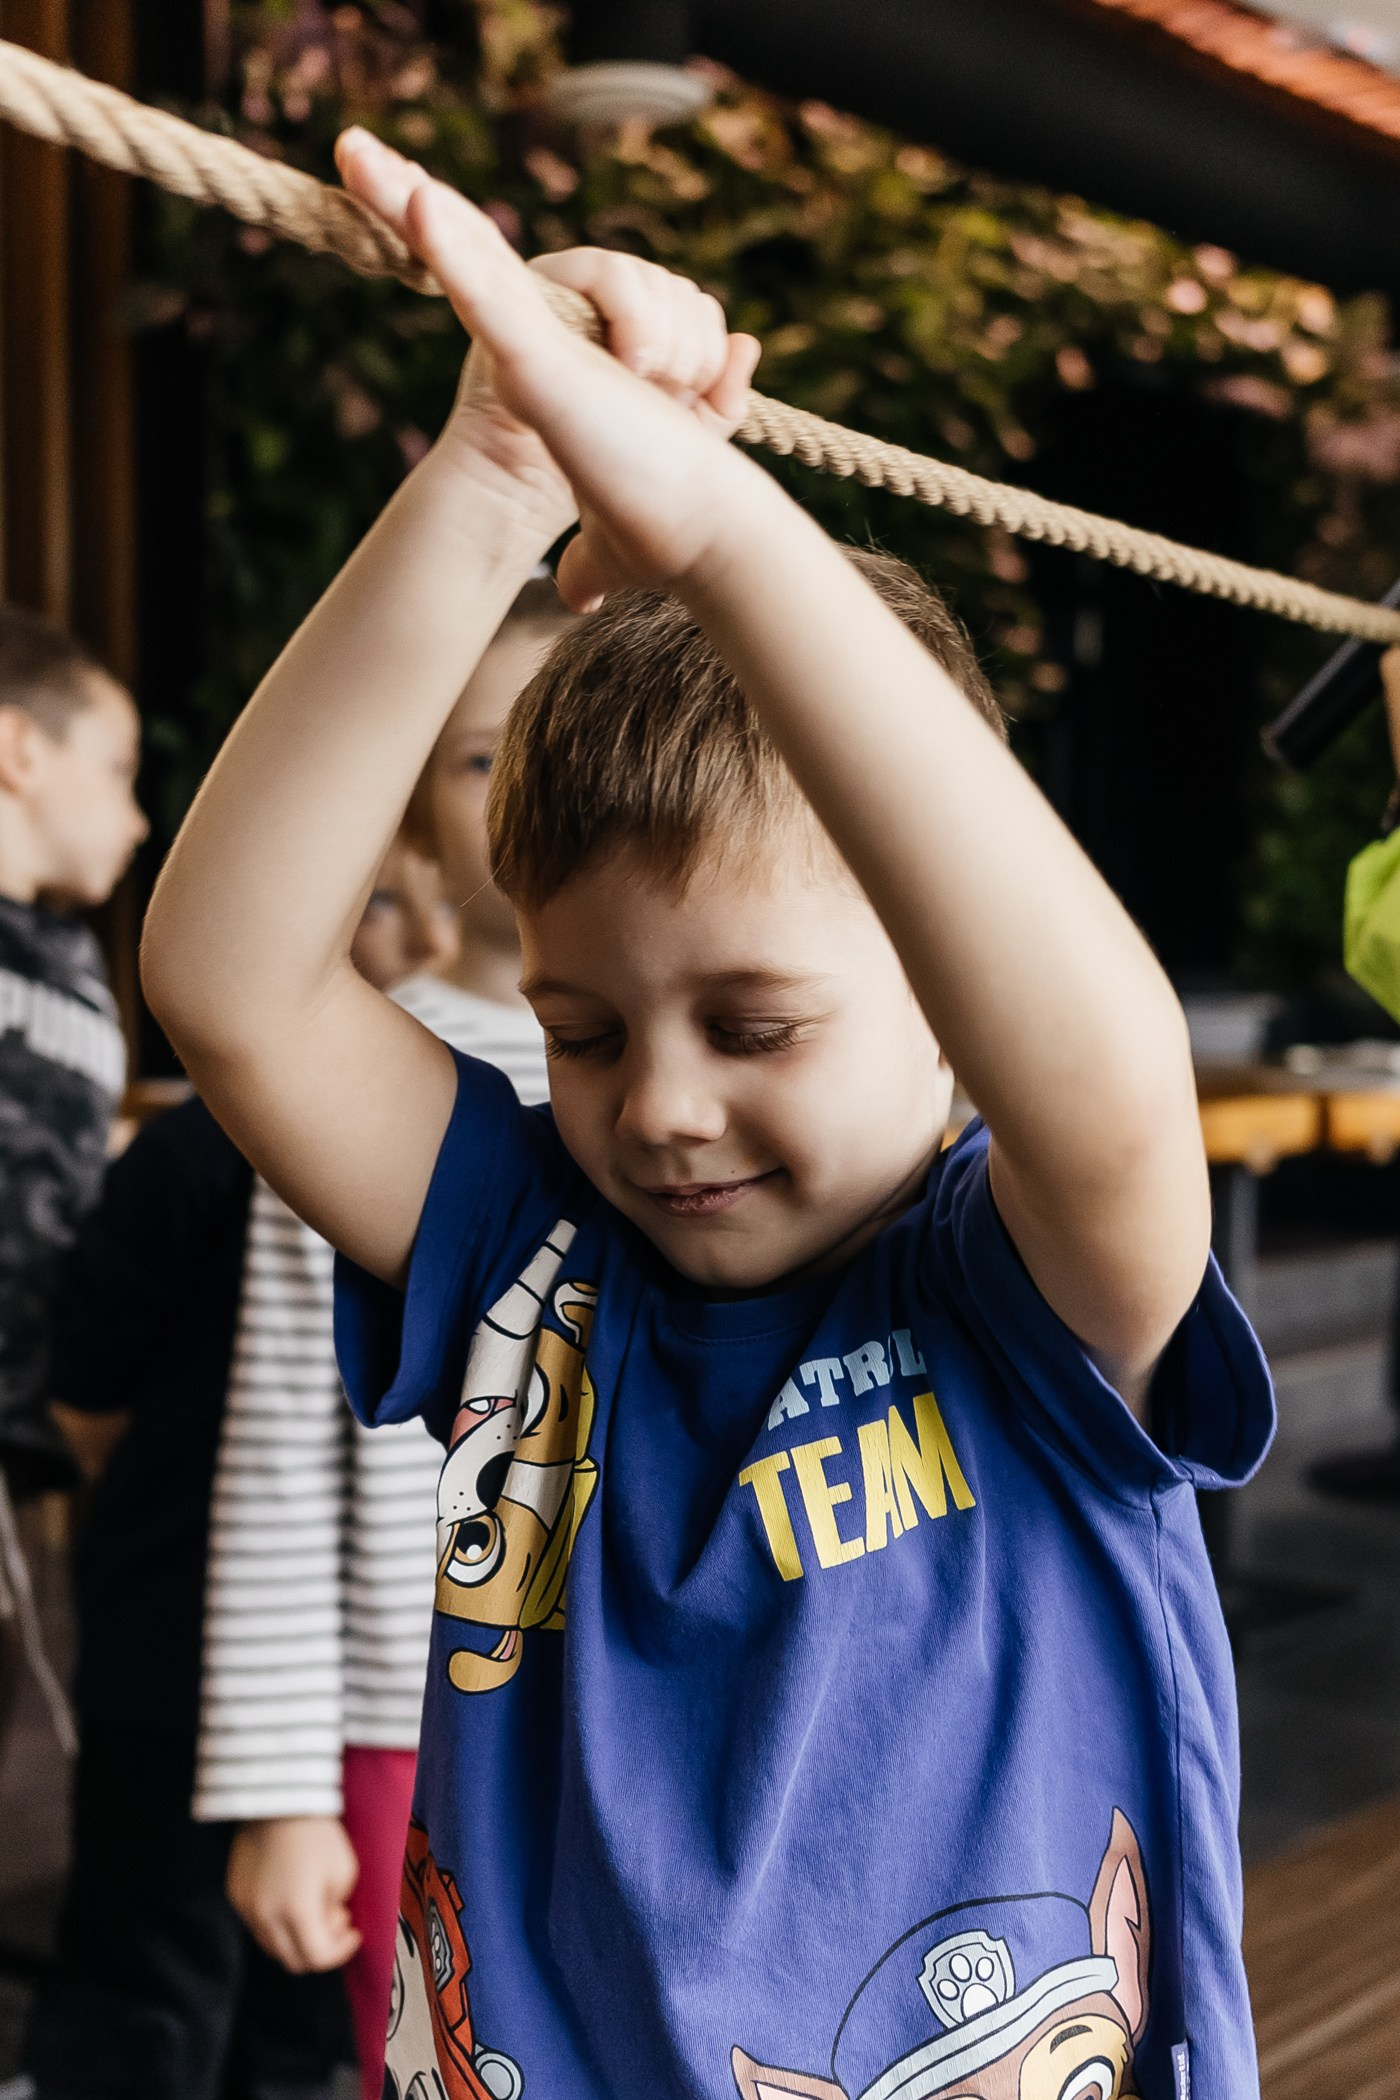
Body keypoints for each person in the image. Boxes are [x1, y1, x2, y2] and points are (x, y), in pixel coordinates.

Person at [141, 133, 1275, 2100]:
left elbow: (1106, 1070)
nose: (659, 1107)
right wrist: (495, 473)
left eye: (756, 1026)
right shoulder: (531, 1266)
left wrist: (730, 539)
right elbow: (230, 985)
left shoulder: (1030, 1296)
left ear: (949, 1010)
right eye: (580, 1031)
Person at [193, 589, 560, 2100]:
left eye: (576, 739)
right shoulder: (340, 1076)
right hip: (408, 1719)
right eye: (485, 759)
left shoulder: (728, 1062)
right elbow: (284, 1443)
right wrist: (279, 1791)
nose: (538, 790)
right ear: (406, 819)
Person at [22, 832, 452, 2100]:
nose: (425, 939)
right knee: (155, 1984)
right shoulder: (210, 1154)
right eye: (384, 902)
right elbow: (85, 1382)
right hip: (184, 1637)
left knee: (298, 2026)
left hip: (329, 1676)